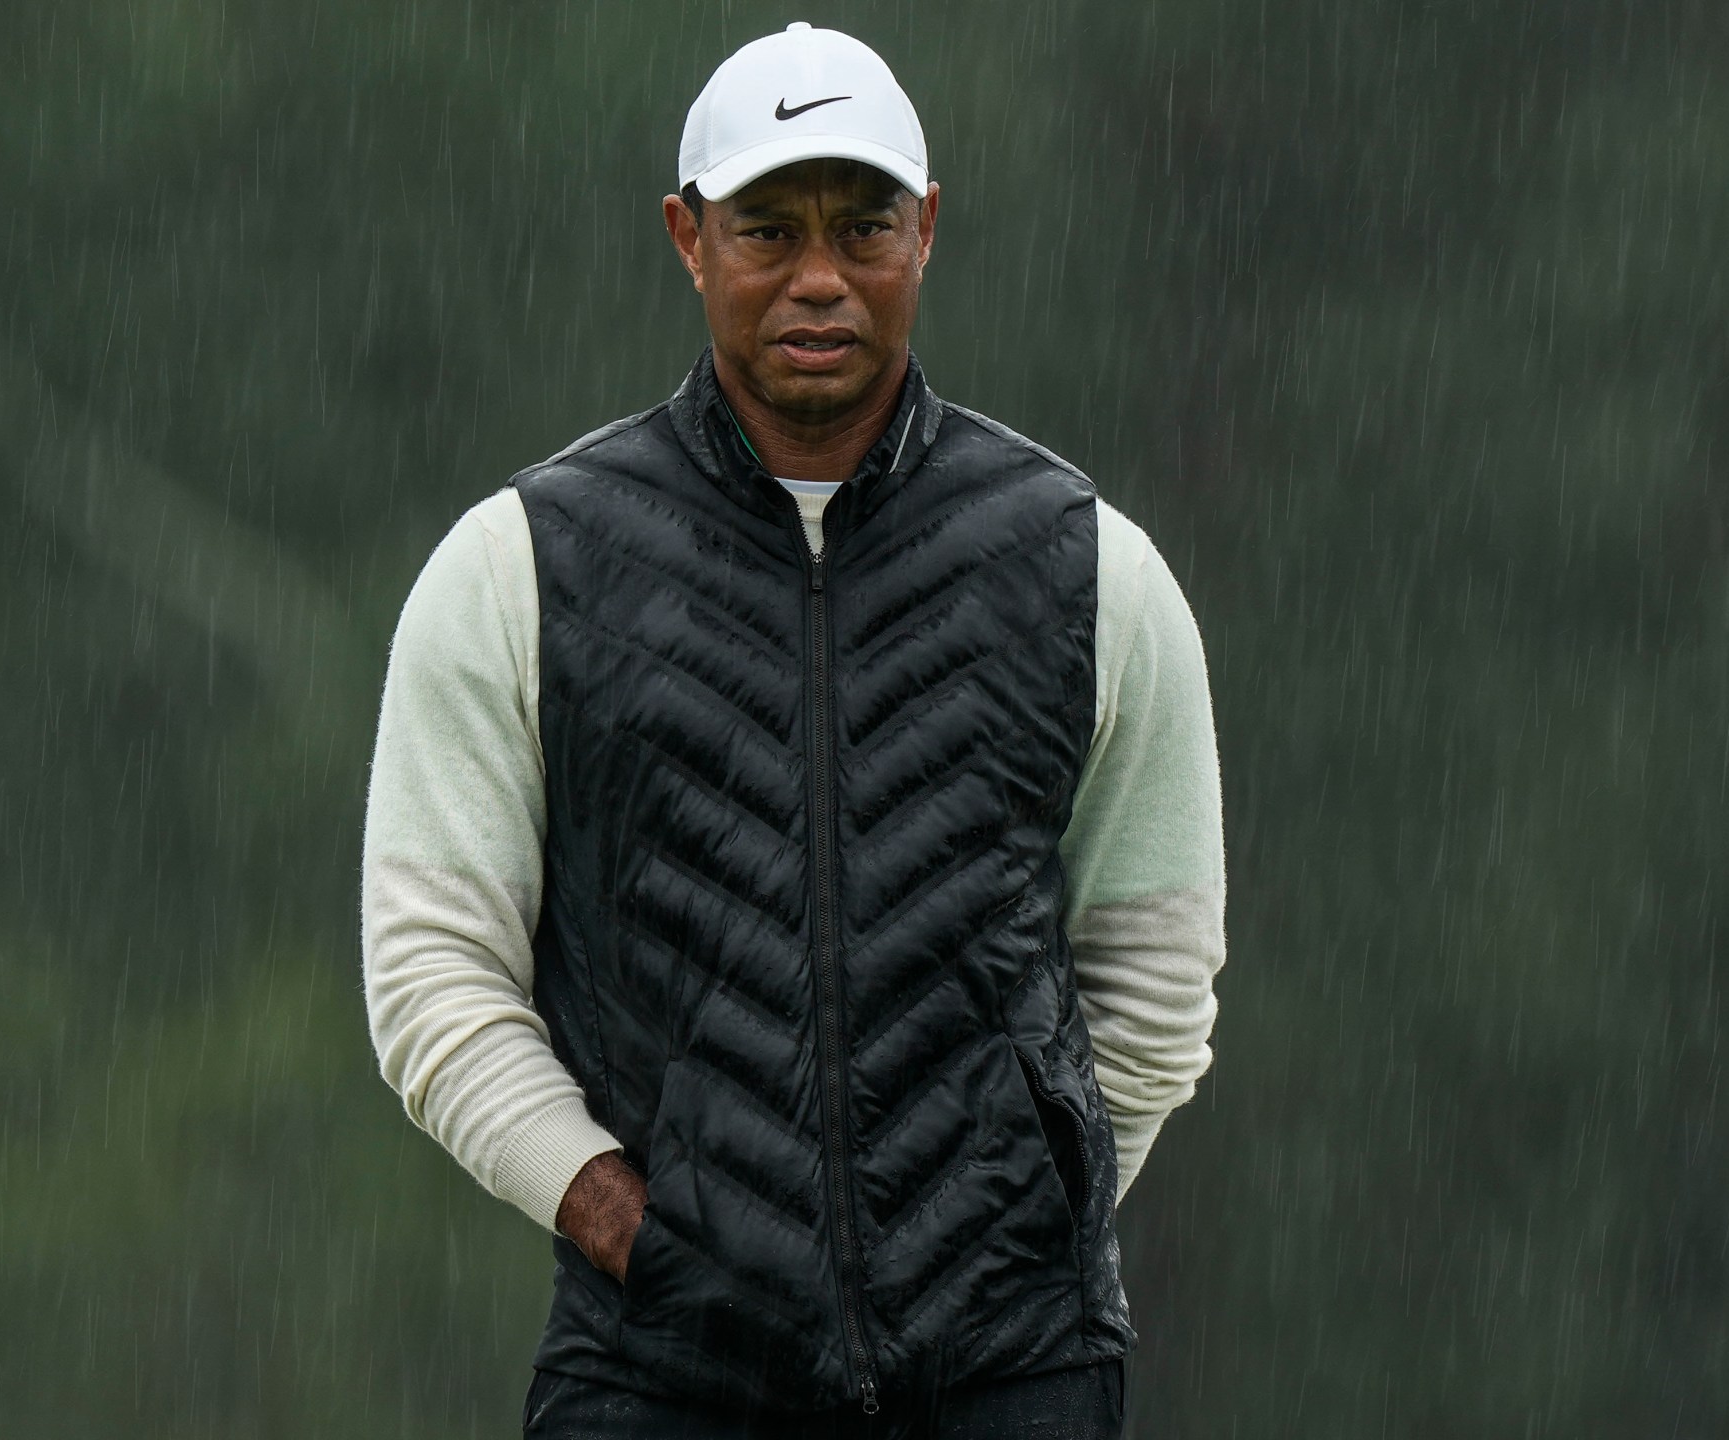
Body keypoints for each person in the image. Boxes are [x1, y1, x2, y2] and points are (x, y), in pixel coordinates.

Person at [361, 22, 1225, 1438]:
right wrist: (629, 1230)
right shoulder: (518, 567)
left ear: (928, 229)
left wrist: (1010, 1231)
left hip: (1012, 1383)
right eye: (767, 227)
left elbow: (1159, 972)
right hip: (657, 1377)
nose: (820, 275)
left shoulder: (1089, 569)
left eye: (863, 223)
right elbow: (432, 975)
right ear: (686, 237)